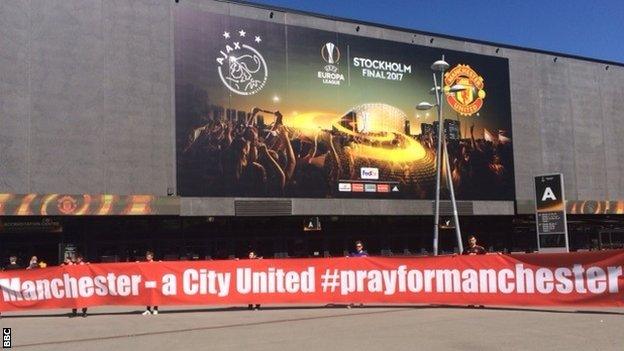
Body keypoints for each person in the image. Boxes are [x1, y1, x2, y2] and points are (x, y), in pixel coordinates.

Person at [142, 251, 159, 315]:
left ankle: (155, 309)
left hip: (154, 281)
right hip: (148, 281)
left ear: (152, 257)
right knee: (148, 296)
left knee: (155, 296)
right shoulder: (145, 264)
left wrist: (160, 263)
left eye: (149, 256)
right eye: (147, 256)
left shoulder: (155, 263)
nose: (148, 257)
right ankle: (148, 310)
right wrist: (137, 264)